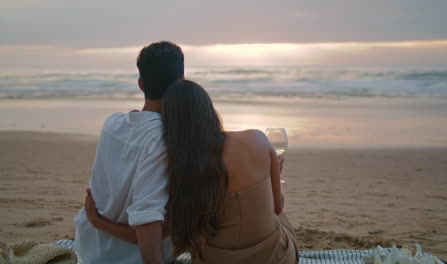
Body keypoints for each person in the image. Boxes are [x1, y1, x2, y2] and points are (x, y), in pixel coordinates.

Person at [85, 79, 299, 264]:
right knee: (279, 218)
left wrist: (99, 223)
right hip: (274, 259)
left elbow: (155, 235)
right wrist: (274, 174)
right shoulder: (257, 139)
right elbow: (277, 207)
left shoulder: (183, 169)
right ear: (209, 108)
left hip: (214, 261)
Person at [74, 41, 184, 264]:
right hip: (133, 257)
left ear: (141, 84)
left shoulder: (112, 124)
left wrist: (99, 222)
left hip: (90, 248)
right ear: (181, 83)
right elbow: (148, 218)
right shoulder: (163, 139)